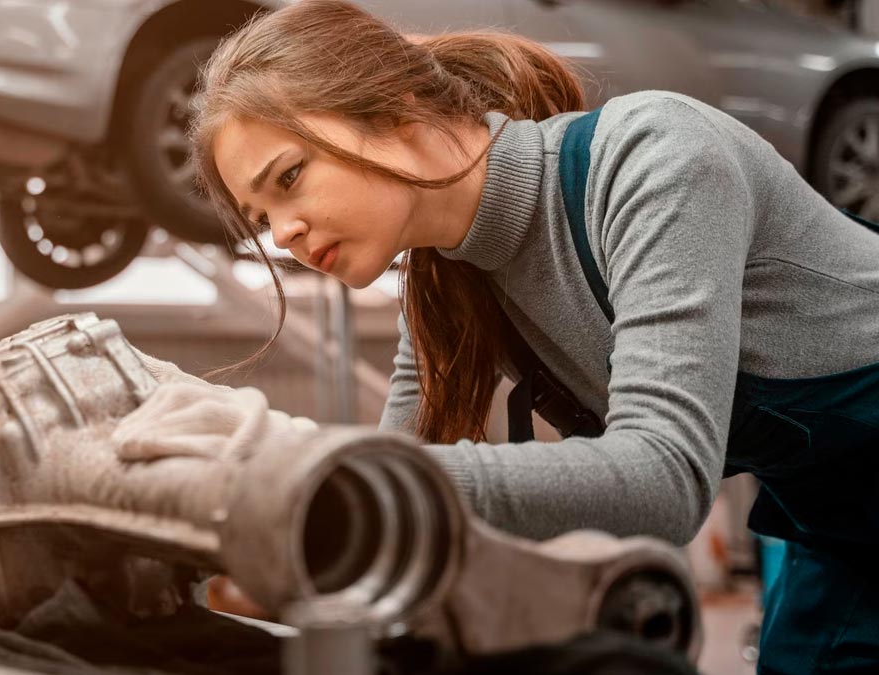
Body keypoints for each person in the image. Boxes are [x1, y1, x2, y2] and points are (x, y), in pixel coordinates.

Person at [137, 0, 879, 672]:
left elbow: (664, 477)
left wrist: (319, 471)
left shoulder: (655, 159)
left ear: (397, 111)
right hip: (843, 527)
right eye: (261, 218)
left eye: (289, 177)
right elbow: (402, 475)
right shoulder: (447, 285)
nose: (284, 231)